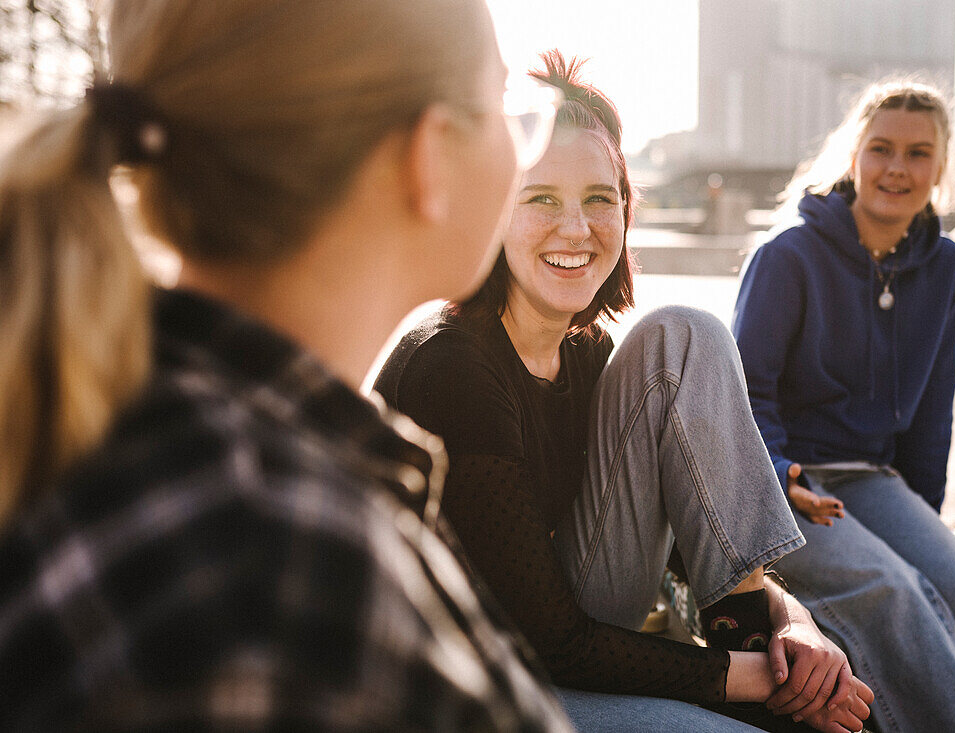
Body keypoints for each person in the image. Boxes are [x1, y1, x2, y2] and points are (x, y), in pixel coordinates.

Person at [0, 0, 575, 729]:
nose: (523, 141)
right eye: (504, 105)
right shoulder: (279, 569)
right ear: (428, 157)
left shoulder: (114, 415)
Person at [376, 51, 873, 733]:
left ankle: (755, 641)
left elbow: (682, 527)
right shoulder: (454, 364)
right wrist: (755, 682)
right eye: (540, 197)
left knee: (682, 333)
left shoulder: (588, 353)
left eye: (599, 198)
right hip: (458, 683)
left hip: (559, 648)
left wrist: (797, 626)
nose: (576, 228)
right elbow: (550, 642)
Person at [732, 79, 955, 733]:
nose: (898, 168)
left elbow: (931, 412)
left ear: (941, 168)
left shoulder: (945, 265)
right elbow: (743, 393)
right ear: (852, 155)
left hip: (871, 479)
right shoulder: (788, 256)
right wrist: (782, 475)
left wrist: (926, 518)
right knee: (896, 593)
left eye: (919, 153)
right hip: (785, 481)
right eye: (881, 148)